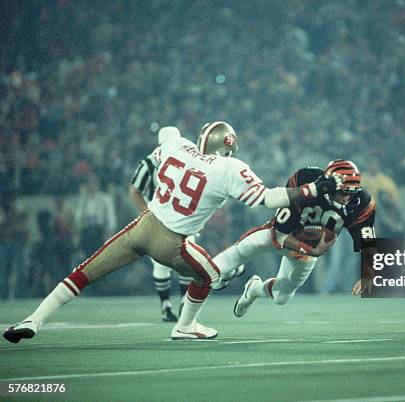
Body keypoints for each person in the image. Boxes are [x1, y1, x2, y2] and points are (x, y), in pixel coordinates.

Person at [3, 121, 342, 343]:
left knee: (83, 273)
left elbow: (166, 131)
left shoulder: (175, 146)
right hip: (172, 242)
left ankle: (33, 320)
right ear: (227, 148)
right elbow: (267, 199)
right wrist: (312, 190)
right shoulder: (229, 167)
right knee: (210, 275)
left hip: (141, 226)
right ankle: (184, 326)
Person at [196, 160, 376, 321]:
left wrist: (368, 274)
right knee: (238, 253)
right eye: (342, 192)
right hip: (281, 233)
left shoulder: (362, 202)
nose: (347, 198)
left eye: (351, 193)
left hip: (308, 250)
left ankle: (255, 289)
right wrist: (310, 249)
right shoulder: (306, 181)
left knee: (282, 297)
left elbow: (368, 241)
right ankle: (190, 304)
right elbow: (279, 233)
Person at [129, 126, 192, 322]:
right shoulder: (153, 162)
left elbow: (134, 191)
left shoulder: (151, 161)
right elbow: (134, 191)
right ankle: (169, 305)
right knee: (168, 262)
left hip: (180, 218)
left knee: (184, 260)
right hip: (169, 218)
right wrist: (148, 213)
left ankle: (179, 302)